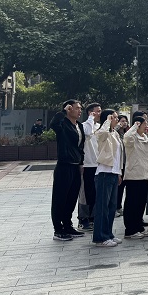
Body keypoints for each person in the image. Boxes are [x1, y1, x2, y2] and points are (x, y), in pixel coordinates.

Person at [49, 100, 86, 241]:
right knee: (60, 198)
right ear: (69, 109)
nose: (79, 110)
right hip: (64, 166)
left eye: (80, 108)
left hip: (76, 166)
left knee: (71, 197)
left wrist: (81, 163)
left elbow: (80, 147)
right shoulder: (62, 124)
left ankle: (68, 225)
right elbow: (53, 124)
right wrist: (63, 111)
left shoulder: (79, 126)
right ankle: (58, 230)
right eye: (76, 108)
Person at [92, 110, 124, 247]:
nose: (116, 119)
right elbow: (101, 134)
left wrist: (119, 173)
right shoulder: (102, 132)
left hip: (114, 172)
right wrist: (107, 122)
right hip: (104, 172)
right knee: (102, 207)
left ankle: (108, 233)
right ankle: (100, 237)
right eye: (114, 117)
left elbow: (118, 155)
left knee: (111, 207)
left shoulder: (115, 133)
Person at [122, 116, 148, 239]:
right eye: (144, 124)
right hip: (133, 175)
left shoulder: (145, 138)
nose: (146, 126)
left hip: (144, 174)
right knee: (132, 203)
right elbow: (127, 137)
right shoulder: (132, 137)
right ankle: (130, 230)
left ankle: (139, 227)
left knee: (140, 203)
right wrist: (134, 126)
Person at [80, 103, 102, 232]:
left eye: (100, 111)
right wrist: (90, 119)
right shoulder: (84, 126)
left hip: (98, 164)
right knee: (86, 193)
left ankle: (93, 218)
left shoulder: (100, 127)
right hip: (87, 164)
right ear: (90, 113)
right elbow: (88, 133)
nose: (99, 113)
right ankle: (83, 219)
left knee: (95, 193)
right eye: (97, 111)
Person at [114, 114, 130, 217]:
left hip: (125, 163)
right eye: (122, 121)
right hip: (118, 163)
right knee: (118, 187)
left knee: (122, 186)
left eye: (125, 121)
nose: (124, 123)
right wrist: (117, 126)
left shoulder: (126, 133)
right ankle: (115, 207)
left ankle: (119, 206)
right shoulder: (115, 133)